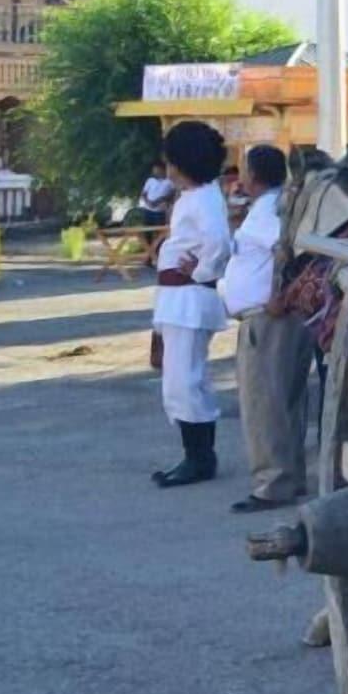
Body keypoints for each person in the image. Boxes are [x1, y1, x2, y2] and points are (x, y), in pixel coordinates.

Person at [217, 143, 313, 513]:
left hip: (268, 317)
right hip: (281, 318)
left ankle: (272, 483)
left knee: (263, 403)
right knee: (287, 400)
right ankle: (290, 475)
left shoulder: (266, 212)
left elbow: (286, 248)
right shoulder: (279, 204)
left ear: (252, 176)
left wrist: (279, 293)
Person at [151, 121, 233, 488]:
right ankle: (195, 455)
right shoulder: (195, 196)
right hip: (177, 298)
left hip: (188, 296)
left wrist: (201, 272)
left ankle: (198, 458)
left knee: (184, 382)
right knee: (182, 380)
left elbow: (218, 242)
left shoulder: (203, 199)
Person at [128, 158, 173, 227]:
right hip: (148, 210)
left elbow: (172, 194)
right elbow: (144, 194)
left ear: (162, 169)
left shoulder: (169, 181)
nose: (155, 171)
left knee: (159, 230)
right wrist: (148, 202)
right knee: (147, 230)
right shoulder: (150, 180)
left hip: (160, 212)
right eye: (154, 169)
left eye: (156, 169)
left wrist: (161, 199)